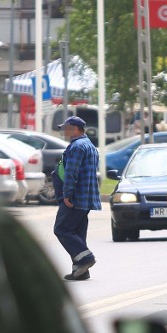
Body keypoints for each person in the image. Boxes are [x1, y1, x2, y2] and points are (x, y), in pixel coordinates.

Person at [52, 116, 102, 281]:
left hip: (75, 197)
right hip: (85, 197)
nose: (63, 131)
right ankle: (80, 270)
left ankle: (86, 259)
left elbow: (71, 172)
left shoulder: (77, 146)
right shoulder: (89, 145)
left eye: (65, 128)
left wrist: (68, 194)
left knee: (62, 229)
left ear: (75, 129)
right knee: (77, 233)